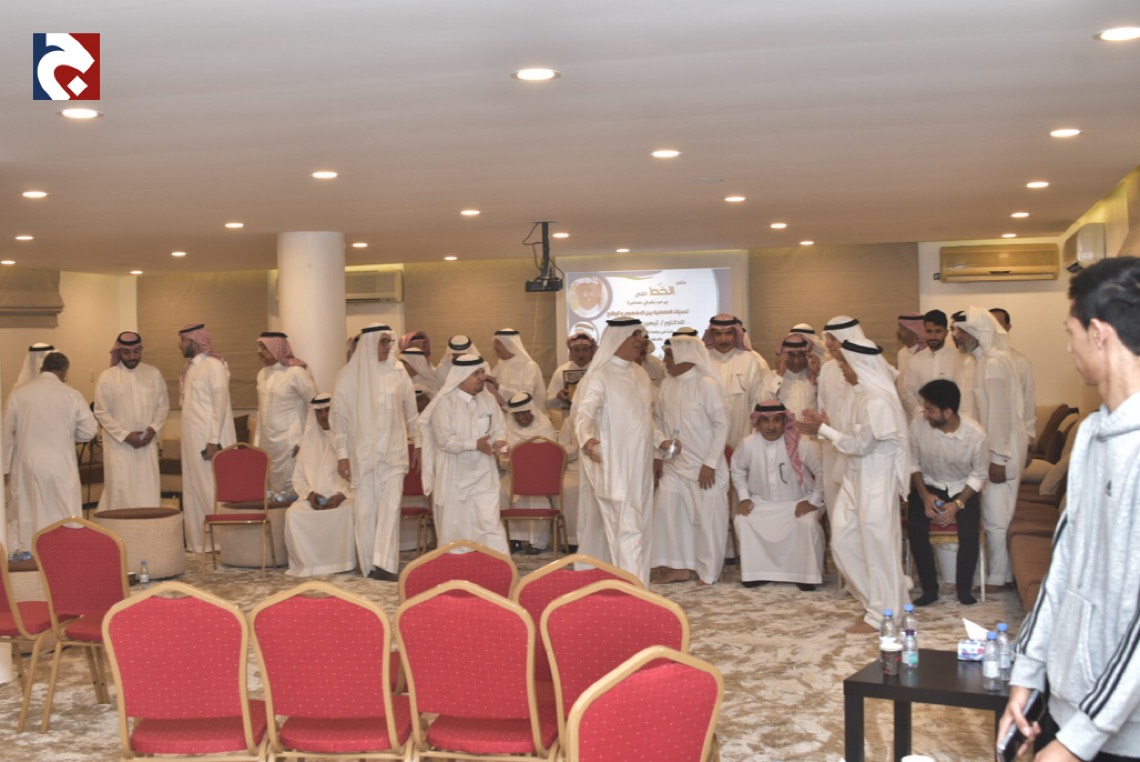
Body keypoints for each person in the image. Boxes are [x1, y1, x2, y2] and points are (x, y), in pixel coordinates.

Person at [1000, 256, 1140, 762]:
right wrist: (1027, 675)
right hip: (1067, 702)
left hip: (1120, 732)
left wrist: (1076, 743)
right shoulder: (1094, 434)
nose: (1068, 346)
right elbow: (1063, 568)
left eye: (1071, 332)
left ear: (1099, 333)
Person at [800, 337, 911, 634]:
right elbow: (849, 438)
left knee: (878, 547)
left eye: (845, 364)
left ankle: (884, 615)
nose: (843, 370)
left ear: (861, 365)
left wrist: (823, 430)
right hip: (855, 475)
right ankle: (880, 601)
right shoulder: (859, 395)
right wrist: (824, 425)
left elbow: (862, 445)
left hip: (876, 479)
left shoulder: (879, 400)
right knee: (843, 542)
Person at [331, 324, 419, 581]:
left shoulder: (398, 371)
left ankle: (386, 564)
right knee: (365, 511)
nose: (386, 347)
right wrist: (342, 455)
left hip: (393, 452)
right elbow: (339, 418)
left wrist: (419, 442)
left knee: (391, 509)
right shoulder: (349, 375)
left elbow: (411, 410)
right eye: (382, 342)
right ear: (369, 343)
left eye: (389, 342)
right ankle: (368, 562)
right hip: (363, 455)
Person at [573, 317, 656, 584]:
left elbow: (645, 419)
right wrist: (588, 440)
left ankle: (636, 585)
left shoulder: (641, 374)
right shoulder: (600, 376)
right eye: (634, 336)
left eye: (641, 336)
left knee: (640, 525)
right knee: (626, 526)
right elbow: (584, 414)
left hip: (641, 466)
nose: (639, 341)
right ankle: (634, 589)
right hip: (615, 463)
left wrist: (661, 440)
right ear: (617, 339)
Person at [953, 305, 1028, 592]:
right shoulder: (982, 360)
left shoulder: (994, 363)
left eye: (959, 331)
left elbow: (1000, 414)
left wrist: (998, 458)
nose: (955, 336)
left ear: (976, 331)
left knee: (997, 516)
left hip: (1003, 450)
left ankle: (998, 578)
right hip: (994, 447)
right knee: (993, 513)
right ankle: (999, 573)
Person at [650, 335, 729, 585]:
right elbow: (658, 421)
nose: (665, 360)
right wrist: (660, 453)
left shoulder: (706, 385)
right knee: (669, 512)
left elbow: (722, 424)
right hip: (674, 464)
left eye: (669, 355)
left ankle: (708, 571)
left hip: (704, 467)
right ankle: (680, 567)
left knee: (707, 519)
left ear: (686, 355)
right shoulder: (667, 385)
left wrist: (710, 464)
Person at [3, 352, 98, 552]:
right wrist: (68, 436)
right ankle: (63, 552)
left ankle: (29, 553)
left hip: (26, 464)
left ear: (42, 368)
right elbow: (89, 431)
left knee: (29, 510)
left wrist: (4, 468)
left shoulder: (19, 393)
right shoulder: (71, 394)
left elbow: (6, 433)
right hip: (60, 464)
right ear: (64, 371)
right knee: (63, 510)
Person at [907, 379, 988, 606]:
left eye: (930, 410)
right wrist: (925, 496)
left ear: (948, 412)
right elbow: (913, 463)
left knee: (969, 531)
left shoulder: (976, 435)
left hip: (963, 487)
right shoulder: (918, 425)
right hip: (928, 484)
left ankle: (964, 589)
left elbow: (979, 475)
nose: (925, 414)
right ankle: (929, 589)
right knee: (916, 527)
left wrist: (958, 504)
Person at [419, 354, 510, 554]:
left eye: (482, 372)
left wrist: (500, 441)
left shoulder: (488, 400)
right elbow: (444, 440)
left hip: (484, 474)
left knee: (489, 523)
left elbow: (499, 428)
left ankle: (498, 566)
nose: (481, 377)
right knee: (455, 528)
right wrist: (475, 445)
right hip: (454, 475)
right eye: (475, 374)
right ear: (460, 376)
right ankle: (457, 569)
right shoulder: (445, 403)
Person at [732, 401, 825, 590]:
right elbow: (737, 470)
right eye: (765, 421)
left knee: (806, 523)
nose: (771, 426)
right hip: (762, 502)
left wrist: (813, 501)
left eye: (776, 420)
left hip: (799, 500)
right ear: (757, 423)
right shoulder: (748, 444)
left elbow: (822, 471)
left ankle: (805, 575)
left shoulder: (802, 443)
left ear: (785, 422)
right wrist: (744, 497)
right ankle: (756, 573)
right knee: (743, 520)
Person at [93, 331, 170, 511]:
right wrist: (125, 435)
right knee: (120, 490)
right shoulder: (107, 377)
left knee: (147, 489)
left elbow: (163, 406)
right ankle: (119, 527)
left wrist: (153, 428)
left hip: (146, 444)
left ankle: (149, 525)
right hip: (119, 445)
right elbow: (101, 412)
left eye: (136, 351)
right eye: (127, 352)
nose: (132, 357)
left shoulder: (153, 373)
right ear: (119, 352)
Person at [178, 323, 237, 553]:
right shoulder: (190, 368)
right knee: (194, 488)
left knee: (211, 488)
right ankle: (200, 542)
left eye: (183, 341)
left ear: (194, 341)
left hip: (208, 440)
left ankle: (223, 542)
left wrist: (212, 439)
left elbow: (220, 404)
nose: (180, 345)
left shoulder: (214, 366)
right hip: (192, 440)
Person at [283, 393, 355, 577]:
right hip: (315, 499)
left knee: (348, 511)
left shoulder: (350, 439)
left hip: (344, 498)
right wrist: (310, 495)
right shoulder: (308, 441)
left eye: (327, 410)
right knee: (293, 514)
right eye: (319, 412)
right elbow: (298, 479)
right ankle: (308, 565)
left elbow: (358, 477)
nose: (323, 416)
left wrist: (341, 495)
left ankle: (343, 562)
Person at [254, 331, 317, 495]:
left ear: (277, 348)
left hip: (291, 441)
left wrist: (304, 440)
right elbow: (261, 411)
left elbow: (315, 406)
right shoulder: (262, 374)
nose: (259, 351)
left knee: (292, 485)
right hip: (268, 443)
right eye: (259, 347)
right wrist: (257, 442)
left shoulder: (296, 373)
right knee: (272, 487)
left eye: (264, 347)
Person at [703, 314, 778, 451]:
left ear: (736, 334)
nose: (723, 339)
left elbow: (756, 400)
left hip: (740, 434)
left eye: (728, 333)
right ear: (711, 336)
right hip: (708, 435)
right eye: (718, 334)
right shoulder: (702, 361)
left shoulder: (749, 360)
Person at [503, 391, 559, 554]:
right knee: (503, 490)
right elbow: (503, 455)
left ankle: (537, 543)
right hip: (513, 473)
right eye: (517, 414)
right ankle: (514, 538)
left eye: (524, 413)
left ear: (532, 410)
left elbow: (550, 455)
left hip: (541, 475)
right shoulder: (508, 428)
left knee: (535, 495)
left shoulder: (544, 426)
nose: (521, 418)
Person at [902, 309, 974, 419]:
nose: (933, 336)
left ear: (946, 333)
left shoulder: (959, 359)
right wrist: (923, 414)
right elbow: (908, 394)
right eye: (929, 331)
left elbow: (964, 394)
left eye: (938, 331)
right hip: (924, 420)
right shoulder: (915, 360)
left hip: (953, 420)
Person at [989, 307, 1038, 441]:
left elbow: (1028, 402)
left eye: (998, 325)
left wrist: (1028, 437)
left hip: (1011, 436)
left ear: (1008, 327)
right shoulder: (973, 360)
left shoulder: (1020, 362)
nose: (994, 329)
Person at [489, 328, 546, 408]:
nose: (495, 347)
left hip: (525, 413)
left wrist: (499, 387)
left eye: (498, 343)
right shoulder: (498, 367)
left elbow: (525, 396)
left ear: (509, 344)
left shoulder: (529, 366)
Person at [547, 332, 596, 411]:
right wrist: (558, 397)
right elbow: (549, 403)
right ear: (571, 352)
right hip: (569, 416)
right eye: (576, 350)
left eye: (585, 349)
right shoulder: (560, 371)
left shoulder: (598, 370)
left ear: (591, 351)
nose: (581, 354)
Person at [775, 332, 819, 418]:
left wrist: (817, 373)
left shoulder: (814, 379)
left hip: (810, 427)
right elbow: (767, 400)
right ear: (783, 356)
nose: (797, 361)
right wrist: (779, 375)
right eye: (792, 356)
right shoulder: (771, 378)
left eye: (800, 355)